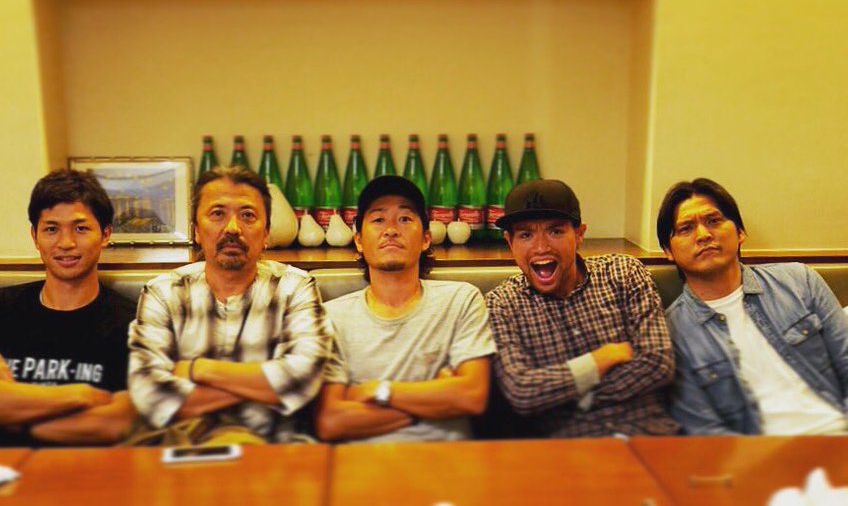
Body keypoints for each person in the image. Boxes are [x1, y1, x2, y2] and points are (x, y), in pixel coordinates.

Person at [127, 166, 333, 444]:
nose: (233, 228)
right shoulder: (164, 292)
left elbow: (303, 378)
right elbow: (150, 395)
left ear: (267, 233)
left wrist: (197, 369)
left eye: (248, 216)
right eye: (217, 214)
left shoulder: (294, 288)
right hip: (184, 449)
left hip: (276, 450)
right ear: (196, 231)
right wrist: (265, 384)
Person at [0, 170, 137, 445]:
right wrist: (81, 395)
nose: (66, 243)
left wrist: (12, 405)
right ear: (34, 236)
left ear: (105, 234)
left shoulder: (131, 321)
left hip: (87, 466)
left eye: (81, 228)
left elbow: (116, 423)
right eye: (51, 229)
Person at [485, 179, 678, 437]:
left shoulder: (624, 273)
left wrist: (575, 395)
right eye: (526, 235)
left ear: (579, 235)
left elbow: (658, 362)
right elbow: (522, 392)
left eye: (555, 231)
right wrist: (599, 360)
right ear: (510, 242)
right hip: (570, 450)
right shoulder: (502, 304)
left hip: (651, 437)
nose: (541, 247)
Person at [658, 178, 848, 435]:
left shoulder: (799, 281)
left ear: (740, 232)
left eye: (713, 221)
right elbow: (706, 432)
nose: (703, 235)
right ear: (668, 251)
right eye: (686, 228)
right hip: (760, 455)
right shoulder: (672, 334)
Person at [315, 176, 493, 443]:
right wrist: (435, 397)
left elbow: (472, 397)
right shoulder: (331, 317)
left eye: (405, 219)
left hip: (447, 459)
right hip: (362, 463)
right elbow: (331, 422)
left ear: (425, 239)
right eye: (378, 219)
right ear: (359, 241)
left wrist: (379, 391)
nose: (391, 230)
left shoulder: (460, 300)